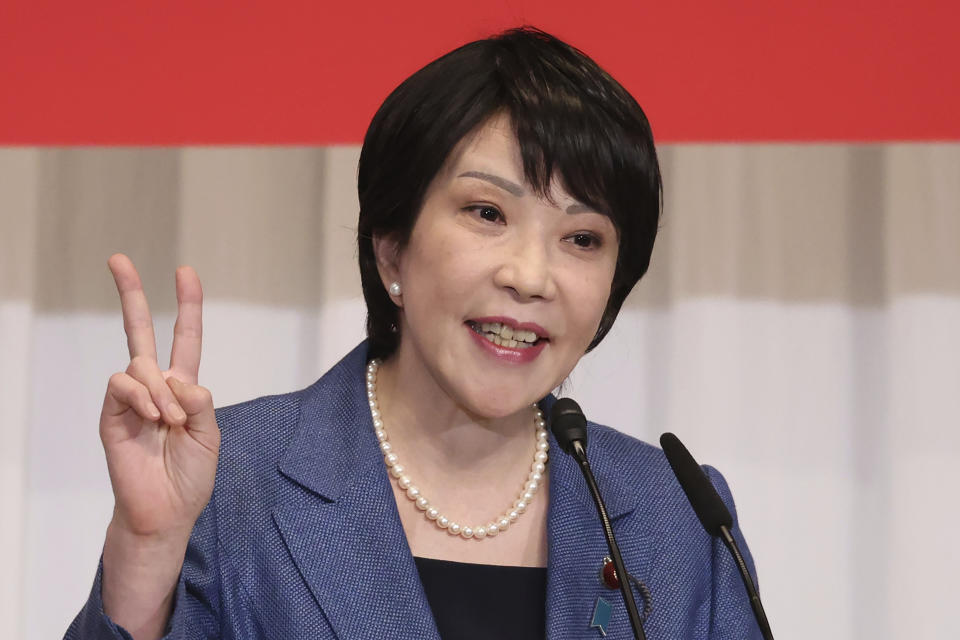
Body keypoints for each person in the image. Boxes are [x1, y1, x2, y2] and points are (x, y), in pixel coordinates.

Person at [66, 27, 762, 639]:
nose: (531, 276)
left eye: (582, 237)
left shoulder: (679, 519)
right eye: (488, 213)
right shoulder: (231, 483)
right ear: (391, 247)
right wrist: (147, 551)